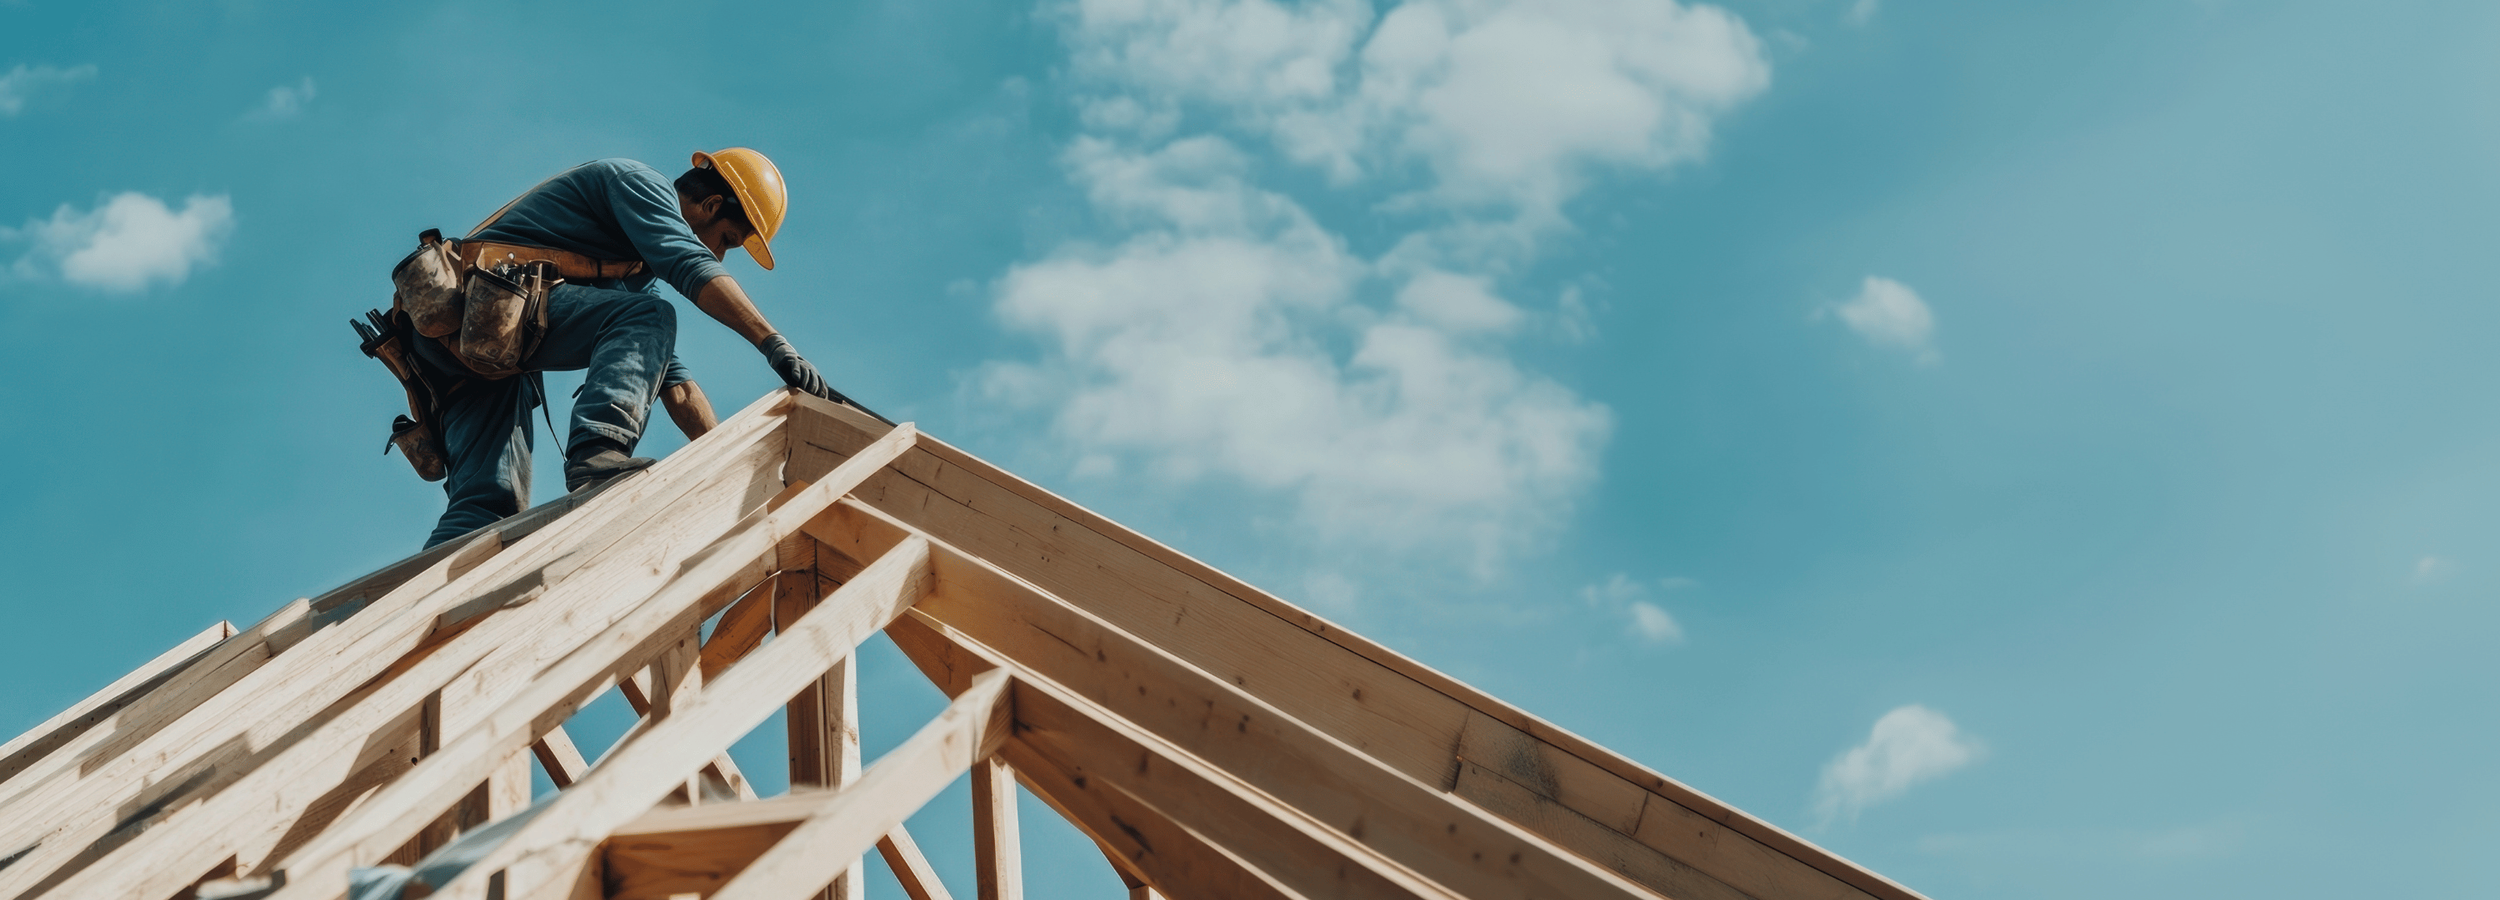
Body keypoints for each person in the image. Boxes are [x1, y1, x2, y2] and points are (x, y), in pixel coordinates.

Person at [408, 149, 842, 547]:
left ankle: (410, 603)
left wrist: (732, 463)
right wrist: (773, 344)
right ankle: (597, 455)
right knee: (650, 318)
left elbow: (677, 387)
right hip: (474, 314)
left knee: (486, 508)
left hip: (462, 350)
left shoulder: (632, 274)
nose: (721, 254)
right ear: (710, 207)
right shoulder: (639, 184)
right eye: (727, 239)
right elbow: (691, 265)